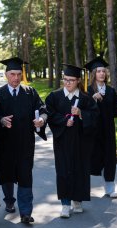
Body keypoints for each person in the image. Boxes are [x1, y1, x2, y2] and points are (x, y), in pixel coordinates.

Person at [0, 57, 47, 224]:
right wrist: (0, 120)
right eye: (12, 74)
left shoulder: (30, 92)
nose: (16, 78)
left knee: (25, 175)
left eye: (18, 74)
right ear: (6, 75)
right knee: (6, 173)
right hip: (5, 143)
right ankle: (9, 200)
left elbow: (43, 110)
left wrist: (41, 120)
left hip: (25, 143)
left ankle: (25, 212)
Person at [45, 64, 99, 218]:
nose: (68, 83)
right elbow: (49, 114)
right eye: (65, 79)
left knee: (80, 170)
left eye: (71, 80)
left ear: (78, 81)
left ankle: (77, 200)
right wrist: (64, 120)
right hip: (62, 140)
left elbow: (95, 117)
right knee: (63, 170)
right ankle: (65, 204)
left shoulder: (85, 98)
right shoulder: (54, 97)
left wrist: (81, 113)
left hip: (81, 142)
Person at [84, 56, 117, 198]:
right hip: (92, 131)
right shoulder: (88, 91)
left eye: (104, 71)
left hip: (108, 130)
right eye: (98, 71)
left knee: (109, 158)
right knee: (90, 157)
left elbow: (115, 108)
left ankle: (110, 188)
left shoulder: (110, 91)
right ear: (93, 74)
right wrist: (92, 99)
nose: (102, 74)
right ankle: (84, 188)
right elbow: (82, 108)